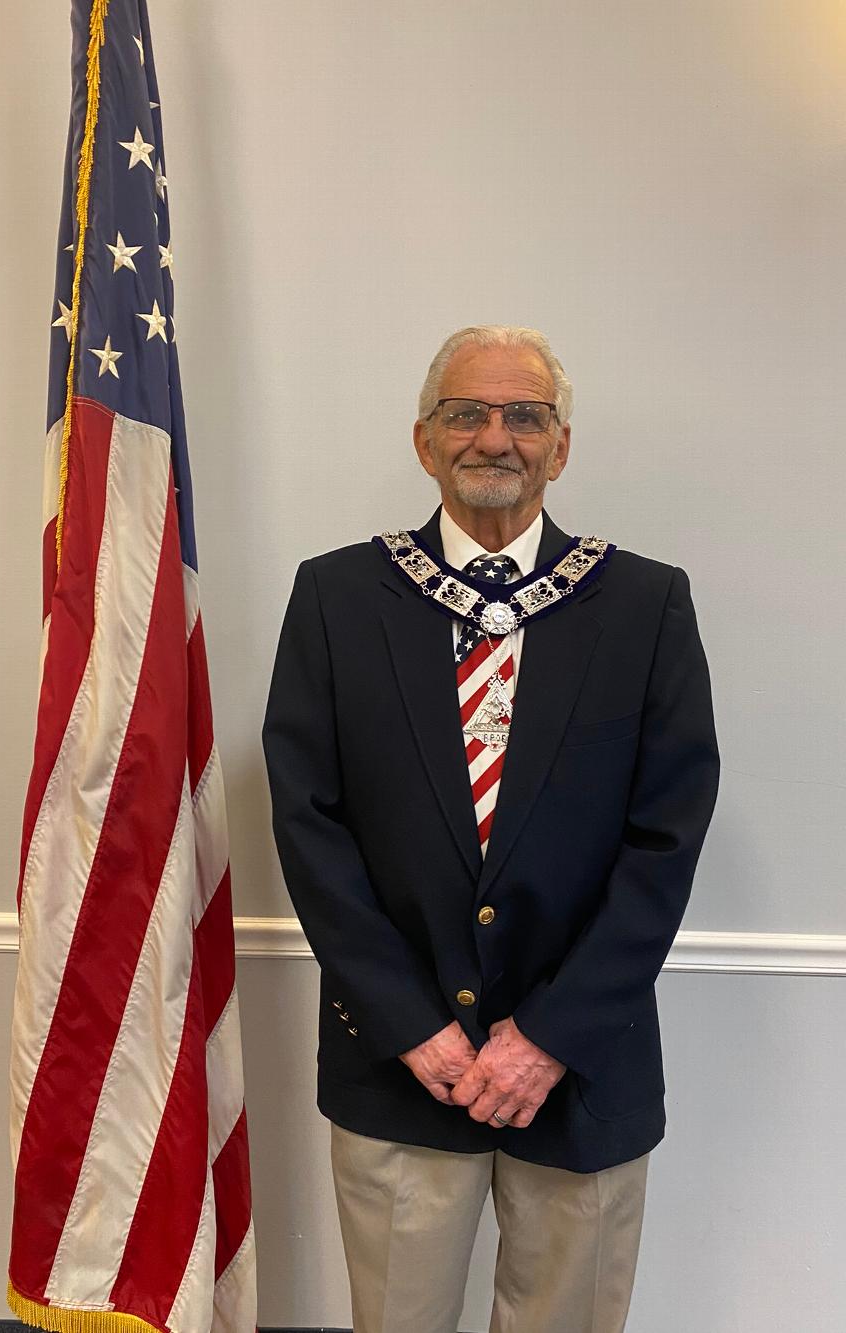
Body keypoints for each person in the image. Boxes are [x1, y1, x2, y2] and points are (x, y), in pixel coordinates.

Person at [261, 325, 720, 1333]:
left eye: (525, 415)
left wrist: (550, 1035)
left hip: (583, 1062)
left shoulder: (644, 604)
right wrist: (409, 1022)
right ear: (424, 440)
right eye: (466, 412)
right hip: (400, 1058)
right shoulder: (338, 597)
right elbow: (308, 822)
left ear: (562, 445)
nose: (495, 436)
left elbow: (665, 840)